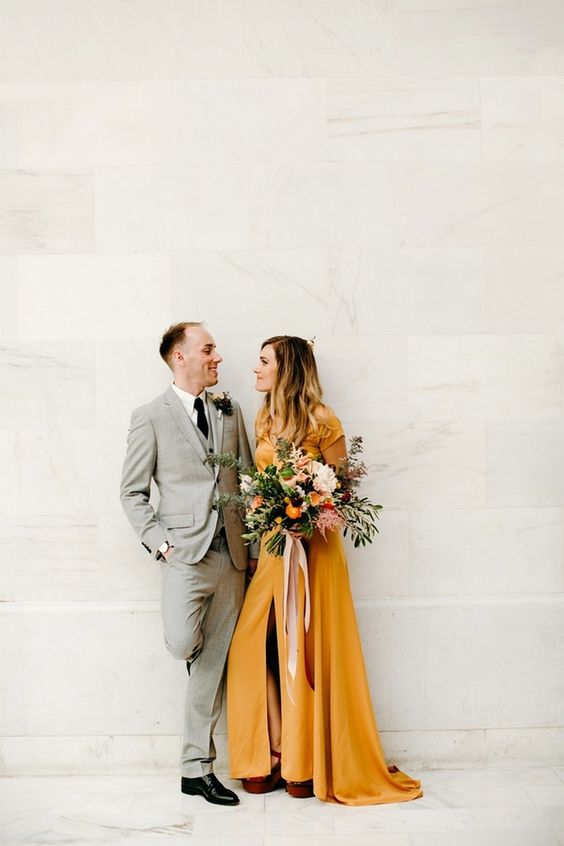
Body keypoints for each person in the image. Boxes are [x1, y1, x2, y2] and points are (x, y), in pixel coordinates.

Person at [227, 335, 422, 805]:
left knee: (307, 648)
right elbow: (259, 482)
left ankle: (303, 766)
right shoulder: (263, 417)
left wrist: (309, 506)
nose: (254, 369)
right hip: (276, 548)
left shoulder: (324, 420)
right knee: (252, 646)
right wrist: (273, 507)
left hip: (316, 551)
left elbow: (344, 490)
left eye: (263, 361)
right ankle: (265, 758)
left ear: (286, 369)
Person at [120, 321, 257, 807]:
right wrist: (162, 546)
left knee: (213, 667)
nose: (217, 356)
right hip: (184, 556)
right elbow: (132, 493)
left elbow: (248, 482)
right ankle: (196, 755)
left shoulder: (230, 409)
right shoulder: (149, 416)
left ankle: (196, 768)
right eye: (209, 349)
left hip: (233, 556)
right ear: (180, 356)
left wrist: (255, 554)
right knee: (183, 646)